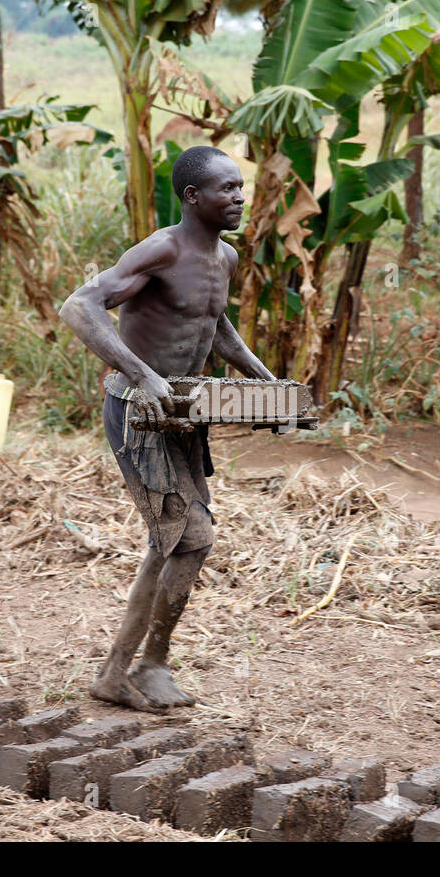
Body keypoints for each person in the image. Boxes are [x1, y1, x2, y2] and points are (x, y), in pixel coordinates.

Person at [59, 146, 276, 713]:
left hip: (183, 412)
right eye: (226, 189)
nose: (238, 197)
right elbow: (80, 305)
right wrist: (141, 373)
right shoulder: (162, 249)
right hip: (137, 410)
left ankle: (125, 671)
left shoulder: (223, 259)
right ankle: (147, 665)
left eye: (239, 187)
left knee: (173, 541)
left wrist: (267, 383)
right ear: (192, 197)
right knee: (191, 537)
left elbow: (213, 325)